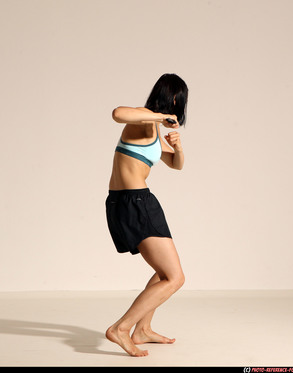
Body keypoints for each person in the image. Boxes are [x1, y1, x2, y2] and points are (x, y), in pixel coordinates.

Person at [104, 73, 189, 357]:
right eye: (177, 102)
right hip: (134, 202)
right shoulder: (142, 118)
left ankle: (143, 329)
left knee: (164, 272)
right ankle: (121, 328)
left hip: (133, 200)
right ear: (172, 98)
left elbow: (176, 165)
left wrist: (177, 147)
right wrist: (159, 115)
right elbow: (117, 113)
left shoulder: (152, 128)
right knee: (175, 278)